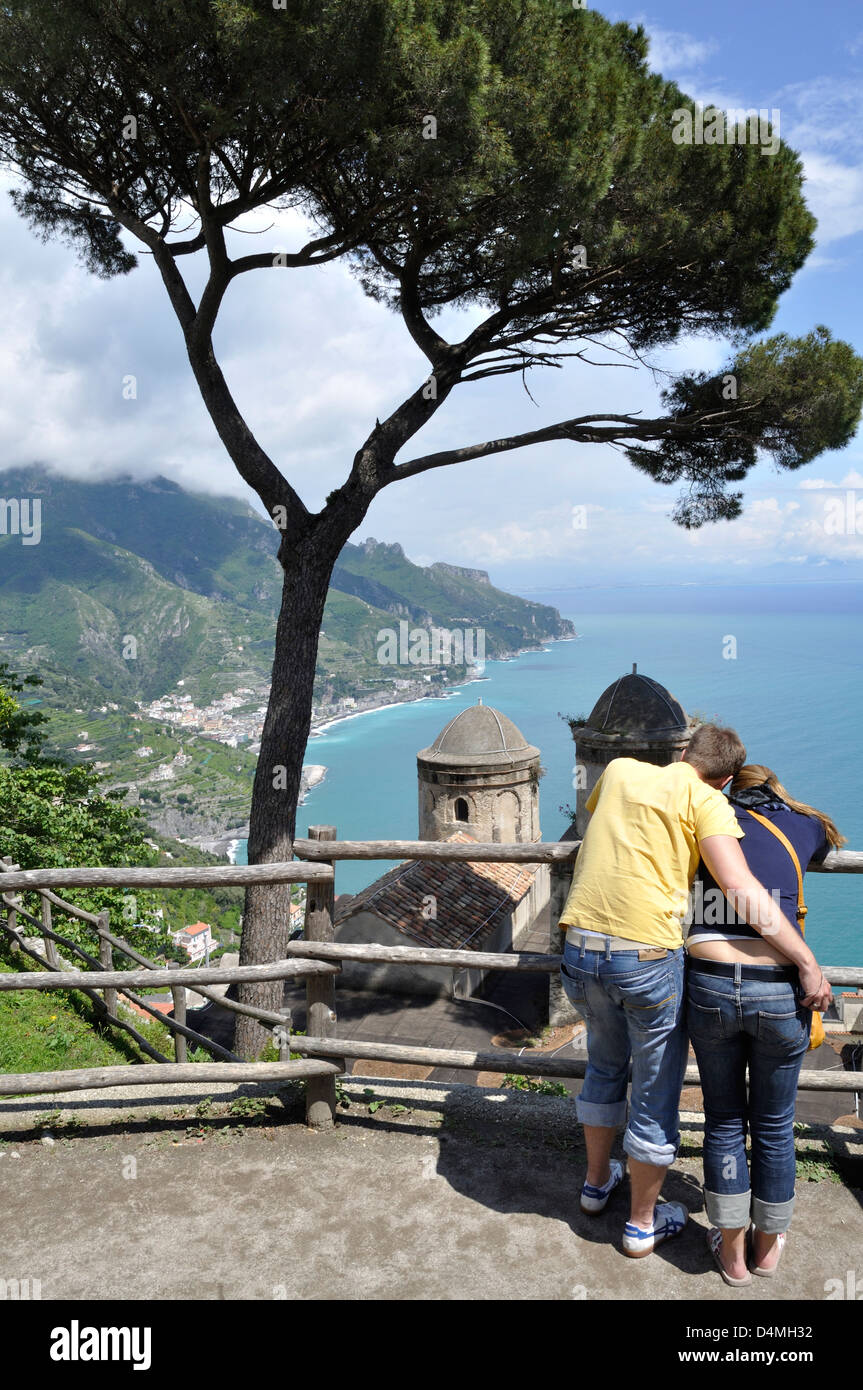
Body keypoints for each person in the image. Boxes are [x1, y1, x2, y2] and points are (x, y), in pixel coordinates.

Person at [557, 724, 829, 1259]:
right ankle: (640, 1225)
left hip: (580, 946)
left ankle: (594, 1186)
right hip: (645, 957)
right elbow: (740, 888)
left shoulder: (619, 770)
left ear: (682, 752)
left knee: (605, 1067)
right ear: (726, 779)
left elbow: (607, 828)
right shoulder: (711, 802)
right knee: (655, 1092)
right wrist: (803, 957)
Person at [686, 764, 842, 1286]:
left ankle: (732, 1258)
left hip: (708, 978)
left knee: (724, 1120)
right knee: (774, 1127)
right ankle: (768, 1248)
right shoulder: (805, 822)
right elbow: (820, 845)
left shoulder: (706, 818)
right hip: (778, 987)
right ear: (776, 789)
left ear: (728, 787)